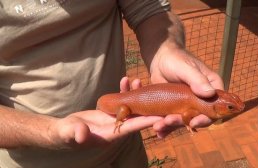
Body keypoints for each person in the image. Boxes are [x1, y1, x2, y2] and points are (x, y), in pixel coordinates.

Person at [0, 0, 223, 167]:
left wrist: (166, 51)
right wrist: (49, 131)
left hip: (125, 139)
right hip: (35, 161)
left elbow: (149, 8)